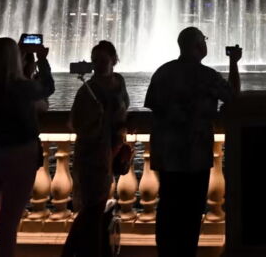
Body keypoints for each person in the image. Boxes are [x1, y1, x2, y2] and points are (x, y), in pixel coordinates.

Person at [144, 27, 241, 257]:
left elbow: (154, 107)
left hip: (166, 155)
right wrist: (234, 63)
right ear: (198, 46)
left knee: (167, 209)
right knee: (191, 213)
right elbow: (234, 97)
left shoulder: (162, 73)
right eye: (204, 41)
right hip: (194, 155)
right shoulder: (207, 76)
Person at [0, 38, 54, 257]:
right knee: (8, 225)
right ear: (14, 59)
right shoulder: (22, 87)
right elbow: (47, 88)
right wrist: (42, 61)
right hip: (20, 155)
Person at [62, 41, 130, 257]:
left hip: (111, 152)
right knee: (92, 210)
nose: (99, 65)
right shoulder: (87, 90)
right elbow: (75, 123)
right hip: (92, 155)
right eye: (95, 61)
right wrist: (97, 123)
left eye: (103, 60)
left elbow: (123, 111)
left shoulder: (119, 83)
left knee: (96, 210)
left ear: (114, 60)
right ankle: (79, 251)